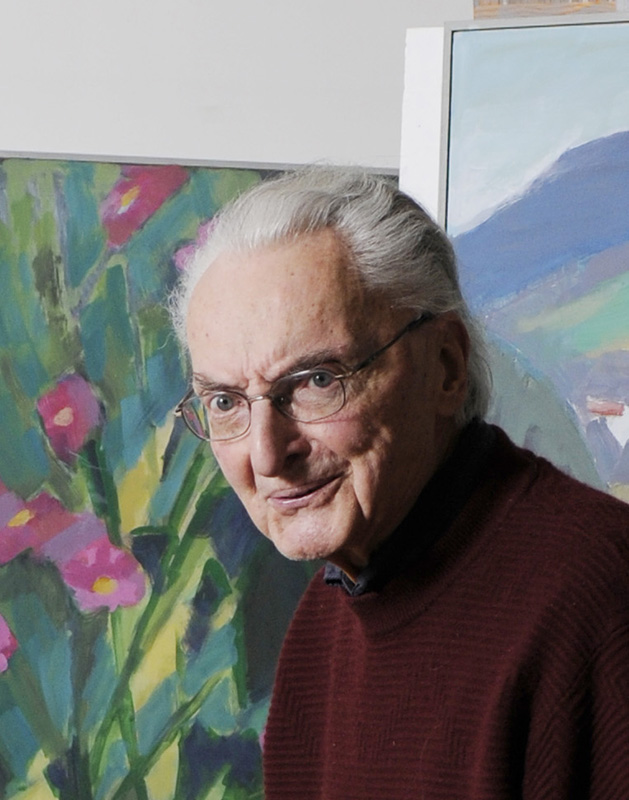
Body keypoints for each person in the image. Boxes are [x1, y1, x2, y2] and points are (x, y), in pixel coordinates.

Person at [170, 167, 629, 799]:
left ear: (445, 366)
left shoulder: (598, 596)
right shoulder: (323, 623)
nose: (267, 455)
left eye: (317, 382)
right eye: (225, 402)